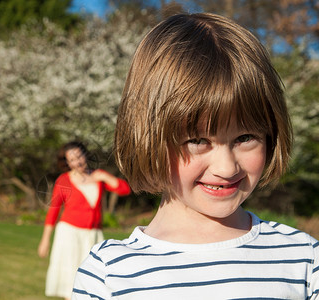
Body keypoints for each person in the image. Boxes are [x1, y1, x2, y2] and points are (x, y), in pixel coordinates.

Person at [72, 13, 319, 299]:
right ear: (149, 138)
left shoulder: (304, 261)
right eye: (198, 140)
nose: (226, 168)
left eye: (245, 138)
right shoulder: (108, 274)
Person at [38, 141, 130, 300]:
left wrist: (104, 176)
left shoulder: (97, 176)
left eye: (79, 156)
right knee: (71, 282)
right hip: (70, 234)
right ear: (67, 163)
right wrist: (45, 240)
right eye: (72, 159)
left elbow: (124, 189)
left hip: (93, 236)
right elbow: (53, 212)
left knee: (93, 279)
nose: (78, 162)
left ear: (85, 155)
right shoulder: (64, 180)